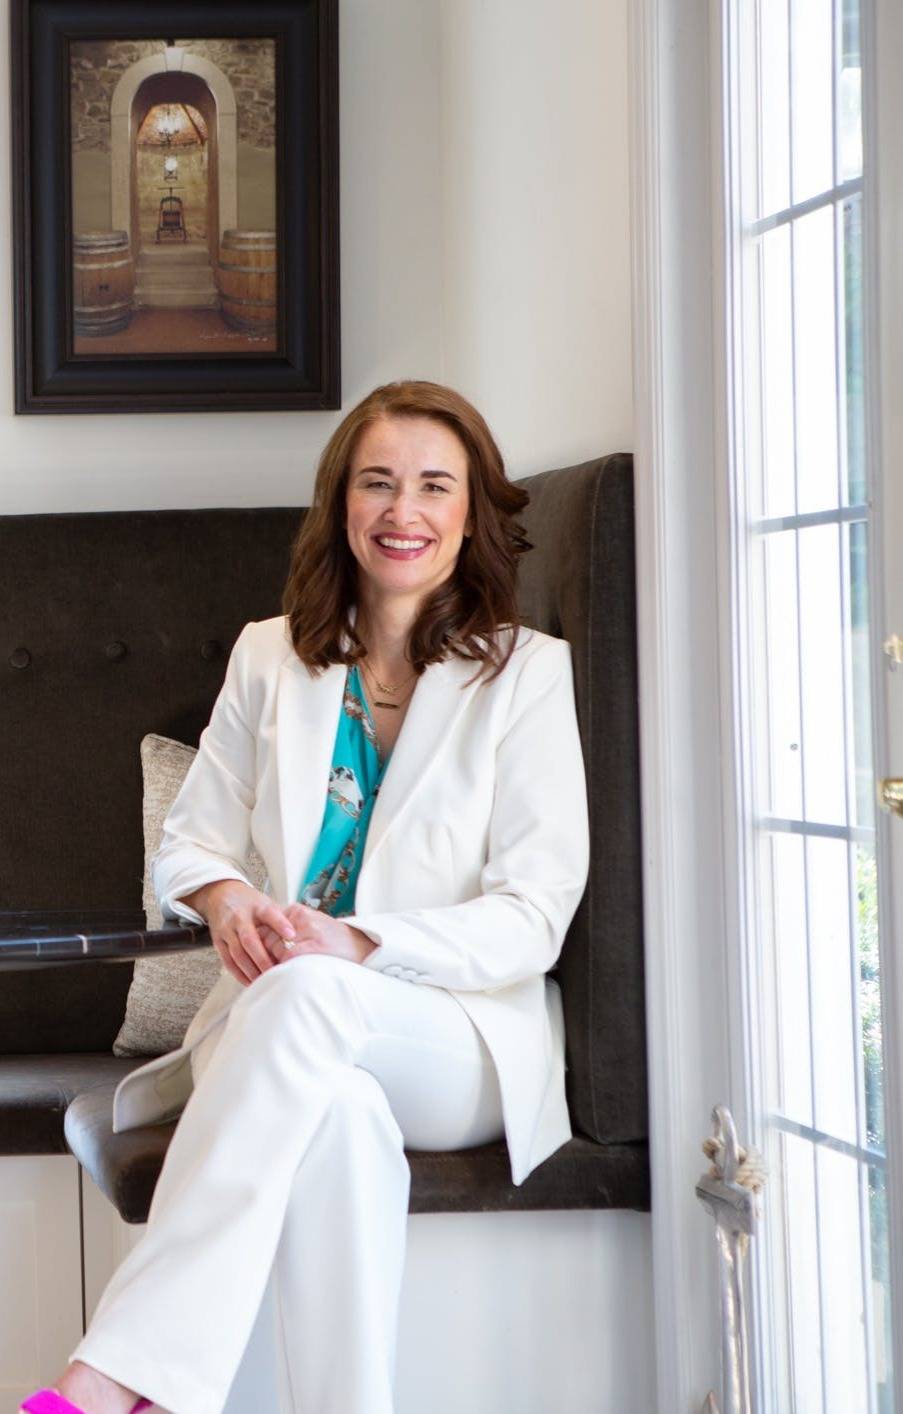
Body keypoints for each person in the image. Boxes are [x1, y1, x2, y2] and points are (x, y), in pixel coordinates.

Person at [22, 379, 590, 1414]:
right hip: (291, 1032)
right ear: (341, 504)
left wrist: (354, 943)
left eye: (433, 486)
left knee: (311, 995)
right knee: (333, 1122)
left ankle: (115, 1377)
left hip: (456, 1037)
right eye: (377, 483)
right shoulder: (269, 654)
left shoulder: (526, 677)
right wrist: (232, 902)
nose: (402, 512)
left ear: (472, 512)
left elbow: (533, 916)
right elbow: (194, 837)